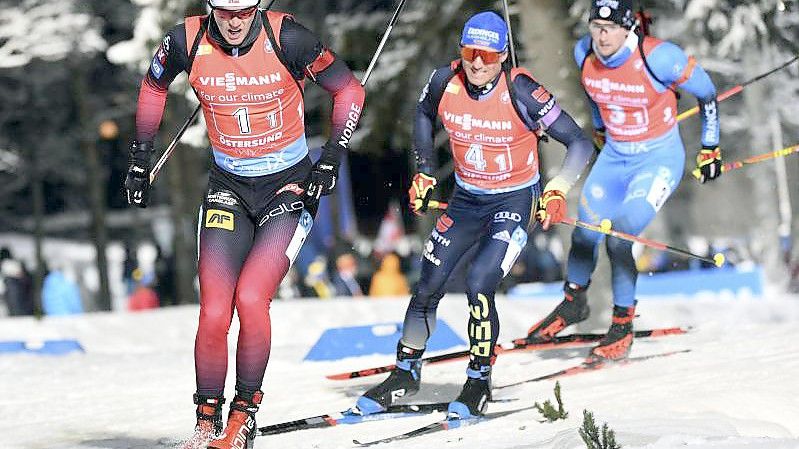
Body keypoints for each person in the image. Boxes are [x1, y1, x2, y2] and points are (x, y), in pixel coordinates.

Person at [124, 1, 365, 447]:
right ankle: (205, 420)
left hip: (288, 187)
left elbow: (349, 91)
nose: (235, 21)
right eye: (225, 11)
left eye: (245, 11)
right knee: (215, 309)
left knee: (252, 299)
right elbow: (153, 87)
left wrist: (331, 157)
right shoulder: (186, 40)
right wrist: (140, 159)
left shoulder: (289, 38)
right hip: (228, 187)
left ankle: (243, 415)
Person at [354, 11, 594, 419]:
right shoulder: (443, 81)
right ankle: (405, 373)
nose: (478, 63)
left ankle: (478, 380)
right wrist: (425, 173)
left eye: (487, 54)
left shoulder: (522, 90)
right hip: (467, 199)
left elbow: (579, 143)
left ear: (502, 55)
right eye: (470, 52)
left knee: (480, 282)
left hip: (514, 201)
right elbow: (422, 115)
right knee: (427, 282)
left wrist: (557, 190)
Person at [518, 0, 721, 362]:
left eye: (610, 28)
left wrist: (710, 147)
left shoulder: (659, 57)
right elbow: (596, 95)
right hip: (615, 156)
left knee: (620, 236)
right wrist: (598, 130)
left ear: (628, 29)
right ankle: (573, 302)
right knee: (584, 230)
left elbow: (706, 92)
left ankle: (622, 324)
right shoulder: (584, 52)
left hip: (657, 160)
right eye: (596, 26)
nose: (602, 35)